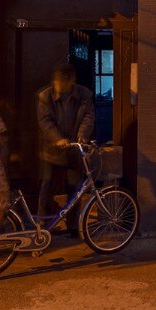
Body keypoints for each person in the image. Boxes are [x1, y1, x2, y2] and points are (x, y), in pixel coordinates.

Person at [36, 62, 95, 218]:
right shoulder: (45, 96)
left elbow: (88, 117)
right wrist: (58, 139)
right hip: (52, 150)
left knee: (75, 187)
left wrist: (82, 136)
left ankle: (74, 223)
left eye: (61, 81)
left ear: (71, 81)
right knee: (48, 184)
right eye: (56, 81)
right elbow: (45, 121)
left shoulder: (84, 95)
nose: (57, 84)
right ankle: (43, 221)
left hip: (74, 148)